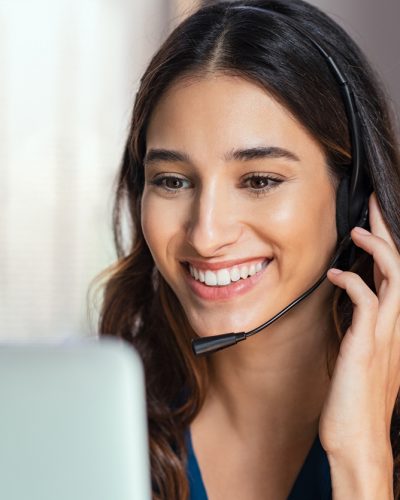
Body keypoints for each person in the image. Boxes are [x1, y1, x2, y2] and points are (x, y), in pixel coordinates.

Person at [95, 0, 400, 498]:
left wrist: (361, 460)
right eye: (172, 180)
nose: (205, 235)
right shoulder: (98, 425)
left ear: (353, 200)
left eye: (259, 180)